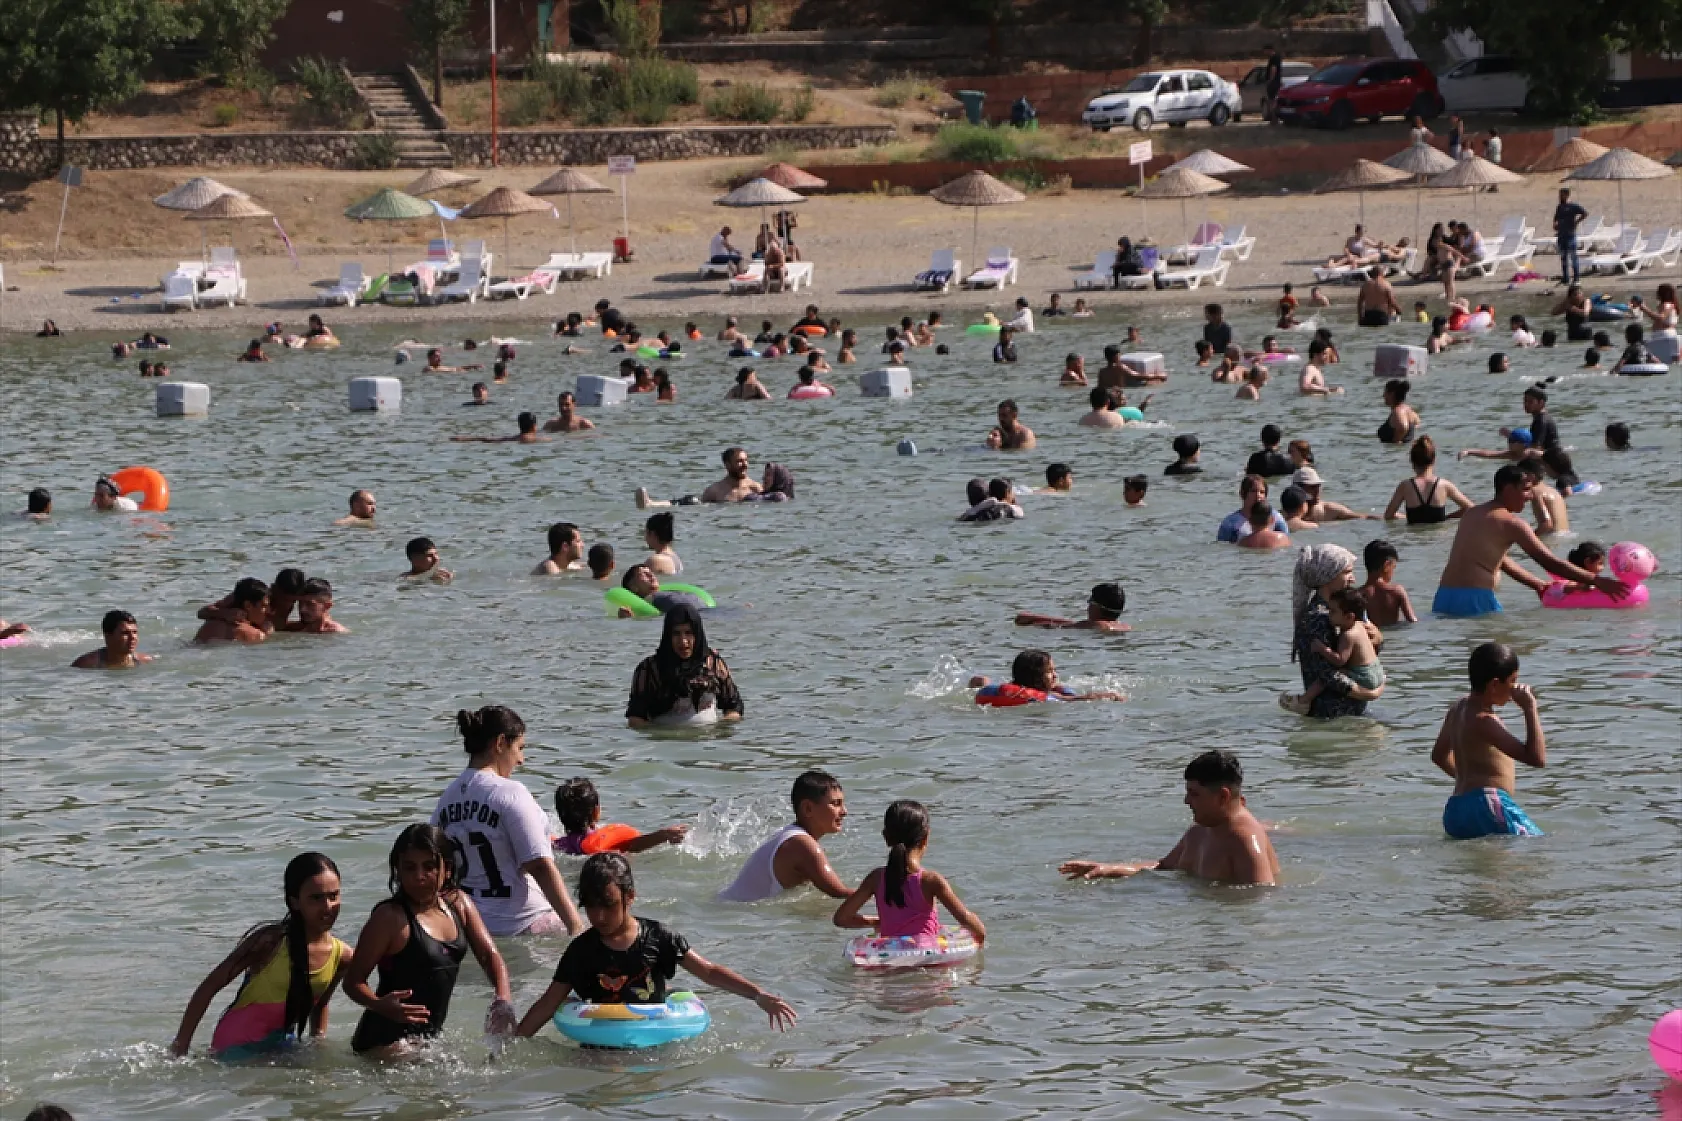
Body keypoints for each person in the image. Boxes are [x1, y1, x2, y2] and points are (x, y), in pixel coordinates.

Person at [515, 853, 796, 1036]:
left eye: (608, 905)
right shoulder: (581, 951)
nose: (598, 916)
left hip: (656, 1034)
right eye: (590, 906)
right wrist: (511, 1045)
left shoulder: (659, 938)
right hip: (601, 1039)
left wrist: (758, 995)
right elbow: (548, 1003)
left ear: (630, 897)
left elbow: (708, 972)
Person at [344, 824, 514, 1057]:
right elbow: (353, 982)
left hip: (426, 1042)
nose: (419, 876)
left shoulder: (458, 904)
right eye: (409, 868)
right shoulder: (389, 918)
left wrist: (502, 1000)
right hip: (382, 1045)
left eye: (429, 866)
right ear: (398, 871)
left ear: (447, 869)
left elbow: (489, 955)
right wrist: (379, 1004)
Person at [170, 852, 348, 1056]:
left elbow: (321, 1002)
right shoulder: (270, 942)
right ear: (295, 902)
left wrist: (318, 1040)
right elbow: (210, 986)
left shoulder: (341, 955)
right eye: (316, 898)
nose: (328, 907)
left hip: (282, 1045)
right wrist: (180, 1046)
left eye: (333, 896)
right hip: (237, 1046)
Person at [433, 706, 585, 937]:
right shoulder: (510, 793)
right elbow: (540, 865)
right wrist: (576, 928)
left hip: (473, 929)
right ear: (501, 743)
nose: (521, 760)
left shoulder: (446, 799)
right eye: (519, 748)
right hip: (526, 923)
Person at [1059, 750, 1278, 886]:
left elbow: (1259, 903)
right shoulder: (1201, 830)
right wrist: (1108, 869)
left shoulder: (1244, 842)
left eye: (1194, 794)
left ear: (1222, 796)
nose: (1186, 801)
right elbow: (1164, 866)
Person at [1432, 465, 1627, 616]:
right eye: (1525, 490)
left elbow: (1500, 561)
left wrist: (1538, 585)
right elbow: (1549, 562)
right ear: (1508, 489)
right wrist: (1597, 580)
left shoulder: (1471, 513)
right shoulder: (1513, 523)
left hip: (1444, 596)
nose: (1530, 496)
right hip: (1474, 599)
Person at [833, 800, 987, 948]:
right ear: (925, 838)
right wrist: (981, 935)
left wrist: (875, 922)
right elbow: (966, 919)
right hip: (929, 962)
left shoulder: (876, 878)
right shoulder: (931, 881)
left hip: (891, 961)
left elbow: (841, 918)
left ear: (886, 837)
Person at [1431, 643, 1545, 839]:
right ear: (1494, 684)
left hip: (1456, 809)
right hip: (1488, 805)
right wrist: (1530, 708)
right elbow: (1537, 758)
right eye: (1512, 681)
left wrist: (1467, 782)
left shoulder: (1458, 708)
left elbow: (1439, 756)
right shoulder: (1485, 720)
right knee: (1540, 847)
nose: (1513, 690)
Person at [720, 771, 855, 902]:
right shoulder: (802, 845)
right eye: (836, 803)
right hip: (735, 914)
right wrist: (873, 889)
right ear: (808, 808)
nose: (844, 812)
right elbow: (839, 893)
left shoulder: (791, 836)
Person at [1285, 545, 1387, 718]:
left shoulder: (1347, 607)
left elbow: (1363, 654)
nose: (1353, 579)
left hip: (1352, 711)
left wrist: (1378, 638)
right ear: (1328, 577)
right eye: (1347, 572)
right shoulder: (1317, 618)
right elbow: (1327, 673)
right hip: (1331, 714)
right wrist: (1370, 693)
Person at [625, 605, 742, 727]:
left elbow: (734, 708)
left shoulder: (714, 663)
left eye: (688, 633)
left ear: (698, 634)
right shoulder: (649, 669)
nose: (683, 641)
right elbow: (635, 720)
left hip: (707, 742)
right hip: (665, 741)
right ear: (667, 636)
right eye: (676, 634)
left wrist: (721, 729)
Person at [552, 777, 688, 856]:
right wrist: (663, 835)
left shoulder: (558, 845)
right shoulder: (604, 842)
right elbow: (634, 844)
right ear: (596, 812)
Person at [968, 649, 1125, 703]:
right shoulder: (1043, 696)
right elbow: (1073, 700)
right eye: (1050, 671)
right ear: (1035, 677)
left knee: (983, 682)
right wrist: (1107, 695)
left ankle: (984, 681)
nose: (1055, 675)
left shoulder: (1017, 687)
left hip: (997, 693)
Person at [1384, 436, 1472, 525]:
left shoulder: (1405, 486)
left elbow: (1388, 516)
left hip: (1412, 538)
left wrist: (1404, 517)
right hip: (1439, 537)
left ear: (1412, 461)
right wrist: (1447, 517)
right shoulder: (1444, 485)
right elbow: (1471, 508)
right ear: (1433, 460)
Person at [1014, 582, 1130, 633]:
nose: (1088, 606)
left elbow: (1057, 627)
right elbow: (1075, 624)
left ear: (1097, 606)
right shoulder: (1125, 626)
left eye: (1090, 601)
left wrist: (1031, 622)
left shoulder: (1099, 625)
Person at [193, 578, 269, 644]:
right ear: (248, 605)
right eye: (264, 606)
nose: (267, 611)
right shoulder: (257, 635)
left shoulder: (209, 624)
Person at [70, 609, 152, 669]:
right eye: (125, 633)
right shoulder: (86, 664)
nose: (133, 637)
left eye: (135, 632)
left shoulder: (144, 661)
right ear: (108, 636)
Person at [1217, 475, 1289, 543]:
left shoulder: (1276, 518)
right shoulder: (1230, 522)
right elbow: (1222, 549)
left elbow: (1285, 541)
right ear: (1242, 494)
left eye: (1262, 492)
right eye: (1253, 491)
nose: (1258, 495)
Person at [1292, 467, 1373, 522]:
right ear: (1298, 488)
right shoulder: (1287, 513)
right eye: (1312, 487)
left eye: (1318, 486)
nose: (1317, 491)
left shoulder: (1328, 510)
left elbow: (1363, 517)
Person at [1518, 459, 1570, 536]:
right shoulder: (1554, 491)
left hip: (1553, 537)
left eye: (1519, 476)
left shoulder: (1536, 492)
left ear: (1531, 476)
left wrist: (1529, 538)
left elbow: (1546, 524)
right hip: (1567, 535)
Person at [278, 578, 348, 634]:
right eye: (300, 603)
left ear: (327, 606)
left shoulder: (335, 633)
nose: (302, 609)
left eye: (310, 604)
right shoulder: (294, 628)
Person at [1553, 187, 1589, 286]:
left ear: (1566, 195)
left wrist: (1577, 222)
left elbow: (1585, 213)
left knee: (1573, 257)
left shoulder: (1573, 206)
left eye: (1561, 195)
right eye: (1559, 195)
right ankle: (1565, 278)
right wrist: (1555, 224)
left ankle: (1576, 278)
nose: (1559, 196)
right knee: (1563, 257)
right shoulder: (1560, 207)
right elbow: (1556, 217)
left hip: (1570, 235)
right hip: (1561, 235)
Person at [452, 411, 548, 444]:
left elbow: (486, 439)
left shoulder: (512, 438)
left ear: (519, 426)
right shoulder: (541, 439)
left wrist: (465, 438)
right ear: (534, 426)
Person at [1376, 379, 1421, 444]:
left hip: (1395, 453)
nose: (1383, 395)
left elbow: (1403, 427)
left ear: (1392, 394)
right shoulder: (1409, 410)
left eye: (1385, 392)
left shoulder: (1398, 412)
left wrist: (1396, 441)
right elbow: (1417, 423)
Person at [642, 511, 682, 575]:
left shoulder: (654, 561)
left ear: (652, 534)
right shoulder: (676, 559)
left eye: (646, 533)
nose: (645, 538)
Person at [1262, 44, 1284, 122]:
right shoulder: (1275, 58)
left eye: (1265, 51)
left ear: (1269, 50)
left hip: (1273, 83)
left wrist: (1270, 80)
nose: (1264, 53)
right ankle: (1274, 118)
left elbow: (1273, 69)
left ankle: (1274, 118)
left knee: (1272, 101)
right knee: (1273, 100)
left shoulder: (1274, 58)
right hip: (1276, 82)